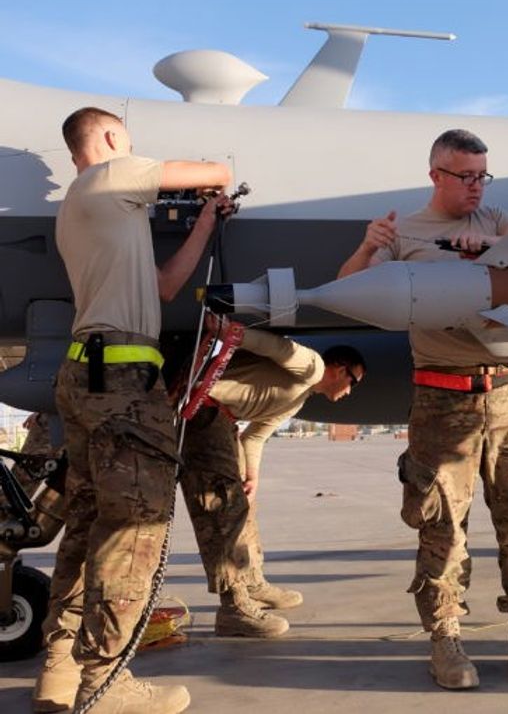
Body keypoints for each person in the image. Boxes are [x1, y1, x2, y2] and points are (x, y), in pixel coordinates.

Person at [338, 129, 508, 690]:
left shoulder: (496, 218)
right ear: (435, 174)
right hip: (442, 396)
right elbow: (348, 290)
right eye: (465, 176)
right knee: (442, 528)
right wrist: (367, 246)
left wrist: (492, 246)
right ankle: (445, 639)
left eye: (483, 176)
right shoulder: (403, 233)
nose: (477, 187)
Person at [32, 106, 232, 714]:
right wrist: (211, 188)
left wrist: (204, 222)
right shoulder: (111, 175)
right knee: (132, 533)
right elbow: (218, 170)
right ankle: (107, 683)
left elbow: (165, 287)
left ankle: (60, 671)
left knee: (88, 525)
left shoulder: (87, 208)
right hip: (122, 380)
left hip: (86, 374)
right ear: (111, 137)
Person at [177, 315, 365, 638]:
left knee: (244, 505)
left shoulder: (297, 401)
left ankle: (252, 582)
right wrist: (234, 333)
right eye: (354, 381)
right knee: (223, 507)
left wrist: (252, 477)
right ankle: (234, 606)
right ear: (338, 368)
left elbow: (255, 437)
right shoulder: (313, 367)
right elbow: (278, 348)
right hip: (202, 408)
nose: (351, 391)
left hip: (221, 419)